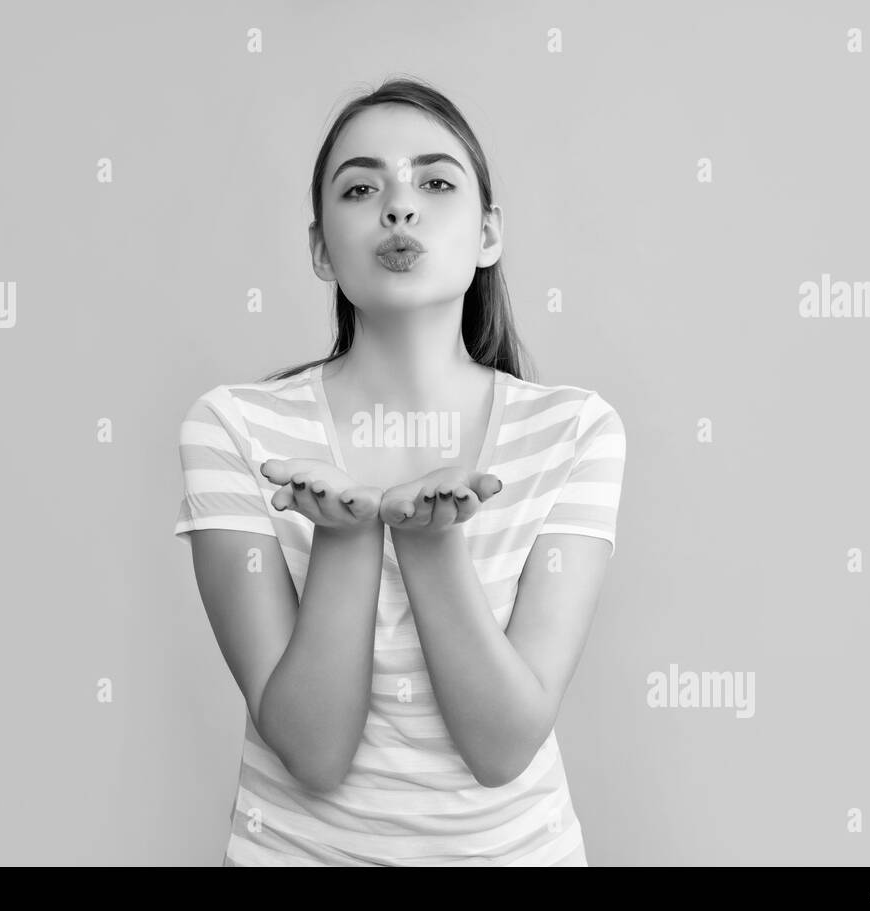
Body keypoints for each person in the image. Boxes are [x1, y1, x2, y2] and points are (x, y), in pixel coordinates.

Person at [174, 77, 626, 866]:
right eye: (360, 188)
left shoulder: (574, 430)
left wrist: (428, 544)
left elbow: (503, 747)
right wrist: (344, 537)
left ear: (489, 234)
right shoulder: (234, 428)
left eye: (435, 181)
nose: (399, 207)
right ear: (321, 248)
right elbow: (312, 754)